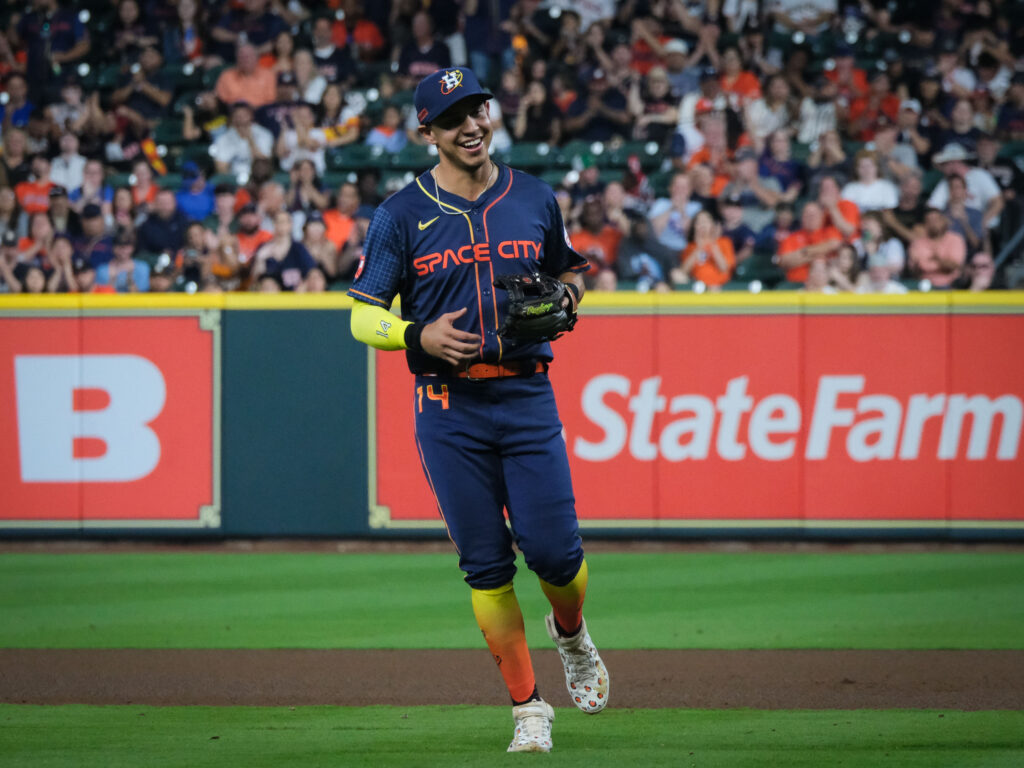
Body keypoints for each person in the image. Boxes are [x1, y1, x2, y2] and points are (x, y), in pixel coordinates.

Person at [346, 67, 606, 754]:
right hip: (448, 406)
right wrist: (414, 334)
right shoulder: (400, 215)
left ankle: (572, 633)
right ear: (425, 131)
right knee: (487, 566)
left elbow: (570, 273)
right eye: (453, 115)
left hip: (524, 393)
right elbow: (361, 318)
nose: (471, 124)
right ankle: (528, 708)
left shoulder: (534, 197)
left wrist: (570, 300)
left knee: (556, 555)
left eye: (477, 109)